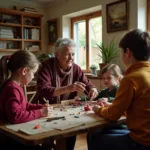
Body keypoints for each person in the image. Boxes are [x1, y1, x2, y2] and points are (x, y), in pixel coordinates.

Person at [87, 29, 150, 150]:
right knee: (109, 131)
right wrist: (110, 105)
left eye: (122, 51)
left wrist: (98, 109)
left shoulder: (131, 79)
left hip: (141, 142)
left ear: (128, 52)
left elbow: (113, 115)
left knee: (94, 135)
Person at [33, 38, 98, 150]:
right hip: (47, 109)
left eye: (73, 54)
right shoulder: (46, 66)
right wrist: (68, 88)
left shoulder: (76, 68)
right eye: (67, 54)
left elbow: (88, 83)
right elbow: (43, 90)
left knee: (70, 134)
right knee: (47, 140)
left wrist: (93, 89)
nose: (71, 58)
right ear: (57, 54)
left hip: (66, 109)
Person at [0, 50, 53, 150]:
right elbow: (16, 116)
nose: (33, 77)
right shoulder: (12, 89)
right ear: (24, 71)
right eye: (33, 73)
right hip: (10, 140)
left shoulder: (16, 86)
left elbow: (24, 106)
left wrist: (41, 107)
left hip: (13, 136)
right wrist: (40, 113)